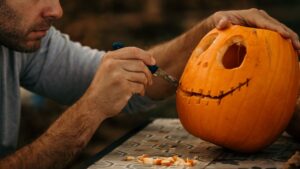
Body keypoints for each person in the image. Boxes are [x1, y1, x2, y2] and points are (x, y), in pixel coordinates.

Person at [0, 0, 299, 168]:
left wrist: (208, 30)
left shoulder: (25, 41)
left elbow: (135, 82)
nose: (56, 10)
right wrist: (89, 110)